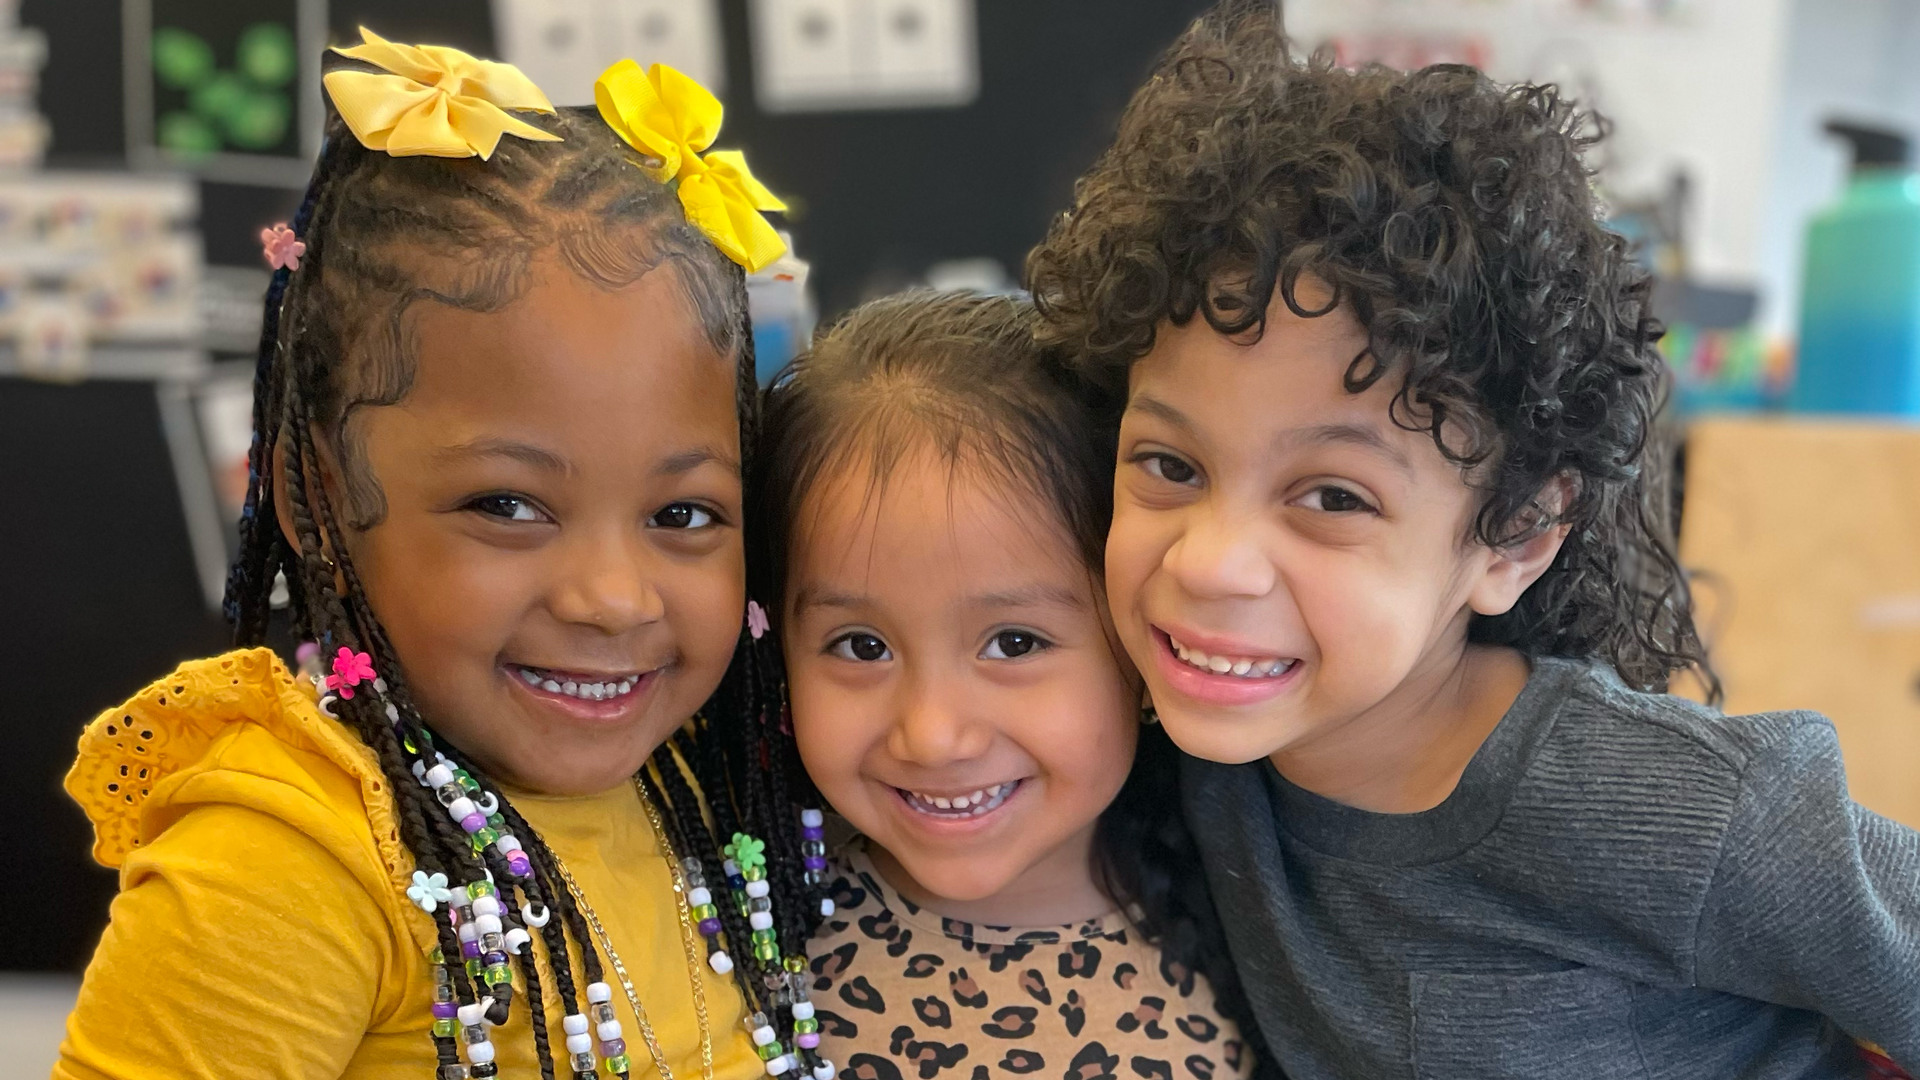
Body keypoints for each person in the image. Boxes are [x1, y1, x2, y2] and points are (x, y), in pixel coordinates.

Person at [1025, 4, 1920, 1077]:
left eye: (1334, 499)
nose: (1210, 561)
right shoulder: (1181, 750)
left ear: (1517, 535)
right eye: (1171, 467)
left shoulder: (1677, 813)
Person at [58, 32, 825, 1080]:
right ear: (314, 498)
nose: (612, 598)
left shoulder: (702, 782)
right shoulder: (291, 857)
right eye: (507, 504)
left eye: (684, 515)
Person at [753, 291, 1266, 1080]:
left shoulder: (1264, 934)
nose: (932, 733)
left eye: (1014, 642)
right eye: (861, 646)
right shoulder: (748, 964)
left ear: (1141, 636)